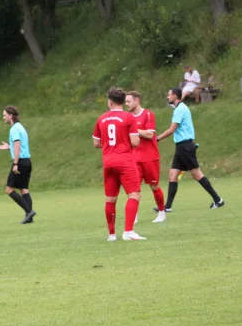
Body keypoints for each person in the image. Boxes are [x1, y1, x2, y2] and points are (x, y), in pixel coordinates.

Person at [156, 88, 225, 211]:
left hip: (185, 147)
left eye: (169, 95)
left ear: (175, 96)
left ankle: (218, 200)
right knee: (173, 175)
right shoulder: (180, 108)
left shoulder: (180, 110)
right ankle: (167, 207)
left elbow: (172, 129)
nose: (167, 97)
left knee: (196, 174)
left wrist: (157, 139)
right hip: (181, 147)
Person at [92, 88, 146, 241]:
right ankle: (128, 231)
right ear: (123, 101)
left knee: (110, 199)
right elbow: (135, 141)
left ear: (110, 102)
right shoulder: (129, 118)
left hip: (108, 162)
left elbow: (96, 143)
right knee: (134, 194)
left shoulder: (101, 119)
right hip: (125, 161)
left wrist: (110, 145)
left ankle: (111, 235)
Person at [125, 91, 167, 223]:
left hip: (150, 158)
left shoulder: (148, 114)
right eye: (125, 102)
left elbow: (150, 135)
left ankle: (161, 213)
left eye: (128, 101)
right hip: (134, 159)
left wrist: (134, 130)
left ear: (137, 101)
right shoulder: (128, 117)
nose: (126, 104)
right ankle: (134, 216)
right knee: (133, 189)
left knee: (154, 186)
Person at [0, 105, 36, 224]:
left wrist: (15, 164)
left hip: (20, 162)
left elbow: (18, 145)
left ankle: (29, 211)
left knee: (9, 189)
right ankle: (30, 217)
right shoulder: (20, 127)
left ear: (10, 116)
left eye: (4, 115)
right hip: (27, 161)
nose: (3, 117)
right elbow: (19, 145)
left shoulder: (14, 129)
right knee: (24, 189)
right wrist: (10, 147)